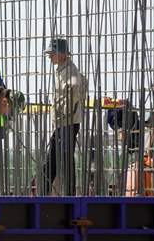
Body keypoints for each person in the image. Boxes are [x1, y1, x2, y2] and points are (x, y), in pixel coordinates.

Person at [42, 38, 88, 195]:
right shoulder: (62, 68)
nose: (49, 57)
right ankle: (44, 190)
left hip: (68, 122)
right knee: (54, 157)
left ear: (61, 54)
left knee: (65, 158)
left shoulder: (69, 70)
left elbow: (76, 86)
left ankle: (69, 195)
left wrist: (66, 110)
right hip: (62, 123)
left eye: (52, 53)